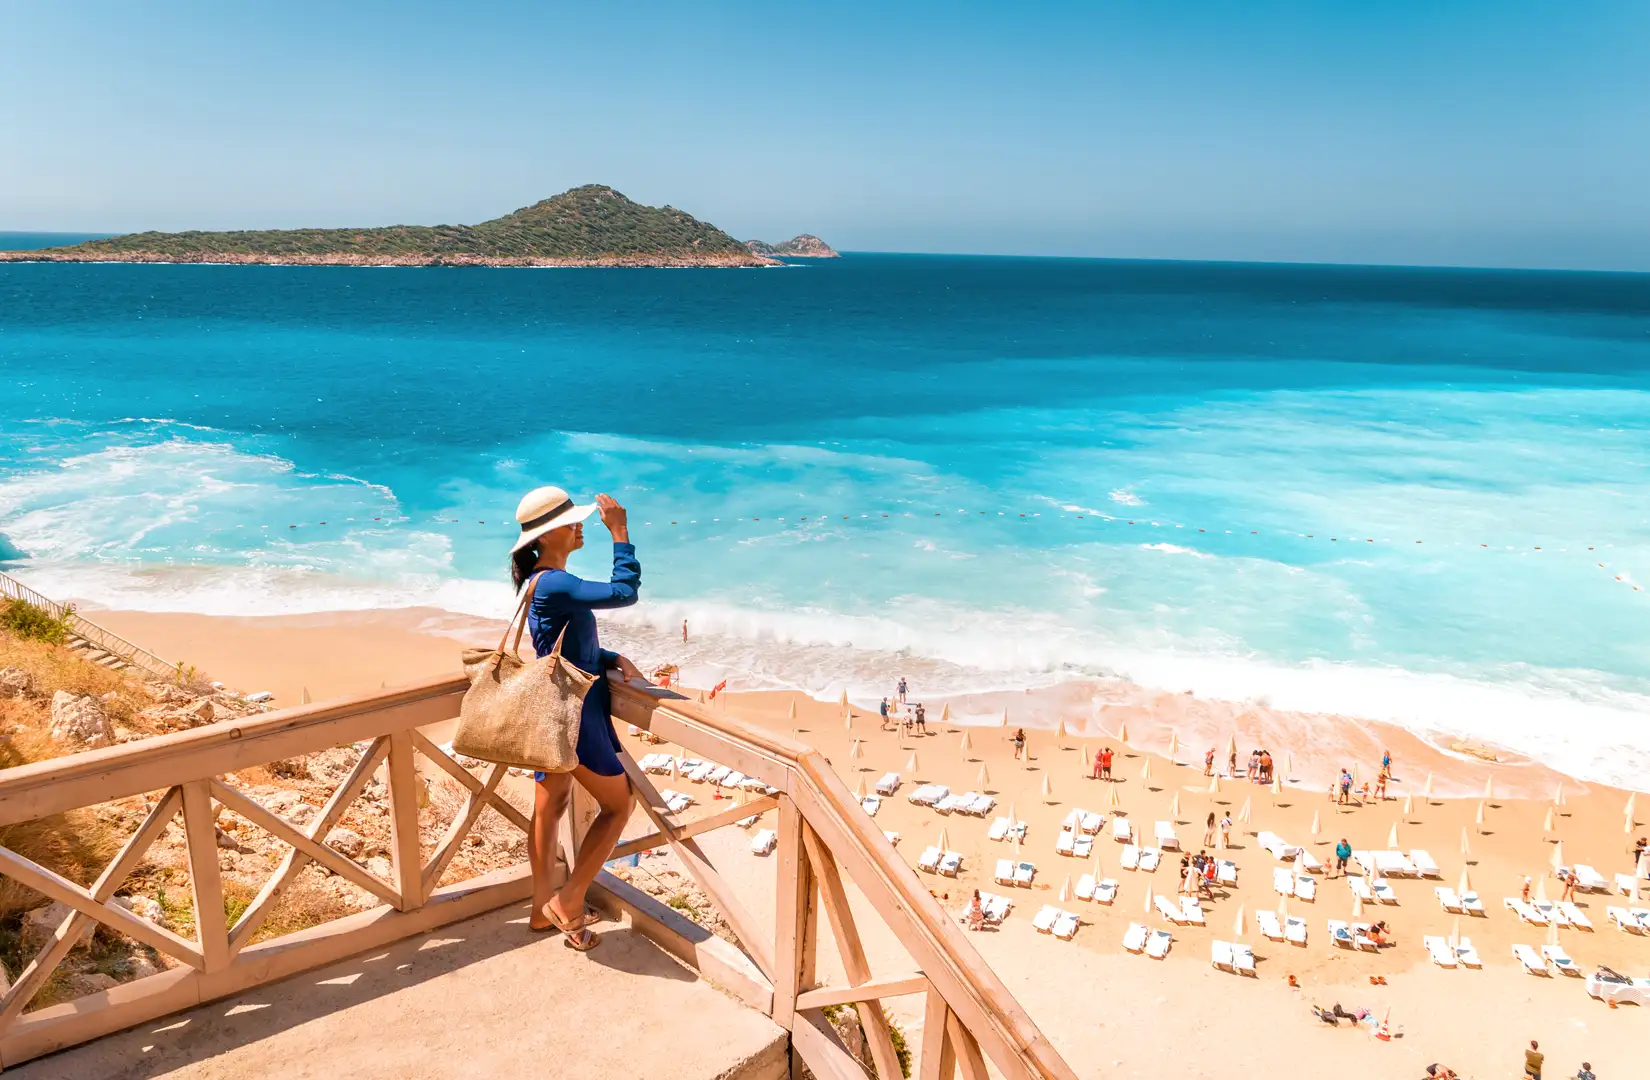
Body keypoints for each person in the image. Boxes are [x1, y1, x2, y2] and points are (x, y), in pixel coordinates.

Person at [512, 486, 643, 951]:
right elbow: (623, 593)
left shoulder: (540, 584)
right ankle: (568, 903)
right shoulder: (554, 582)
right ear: (549, 536)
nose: (580, 526)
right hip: (576, 717)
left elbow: (558, 644)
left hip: (551, 712)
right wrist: (621, 534)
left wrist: (610, 654)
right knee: (618, 806)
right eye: (573, 522)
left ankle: (539, 908)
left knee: (550, 809)